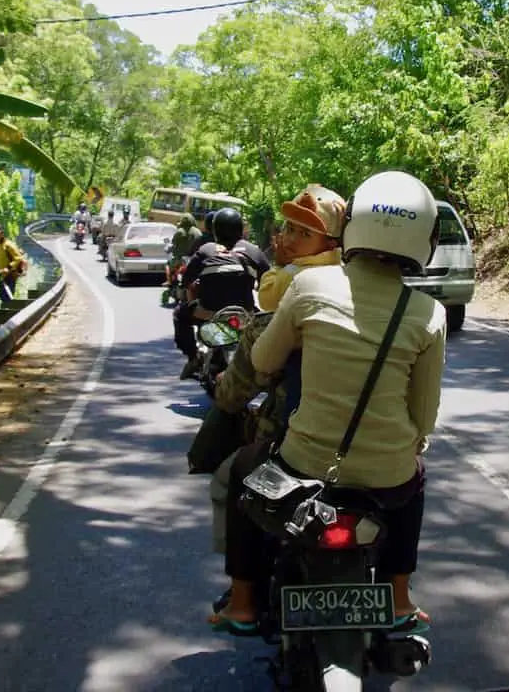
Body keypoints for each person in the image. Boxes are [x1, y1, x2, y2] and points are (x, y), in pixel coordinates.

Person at [209, 171, 446, 636]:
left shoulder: (309, 287)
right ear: (425, 238)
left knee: (241, 472)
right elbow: (423, 417)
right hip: (387, 477)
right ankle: (398, 597)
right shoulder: (429, 314)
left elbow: (262, 358)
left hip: (303, 464)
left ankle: (241, 602)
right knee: (414, 480)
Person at [192, 184, 347, 575]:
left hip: (294, 438)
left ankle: (242, 598)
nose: (291, 238)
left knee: (232, 482)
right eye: (290, 229)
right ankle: (398, 598)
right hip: (363, 442)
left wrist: (227, 394)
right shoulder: (385, 306)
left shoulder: (285, 302)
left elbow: (243, 383)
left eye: (303, 232)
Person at [174, 207, 270, 379]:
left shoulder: (206, 249)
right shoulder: (254, 251)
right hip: (244, 315)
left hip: (208, 314)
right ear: (240, 230)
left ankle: (193, 358)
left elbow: (187, 280)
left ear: (214, 230)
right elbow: (268, 283)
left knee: (179, 315)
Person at [257, 184, 345, 311]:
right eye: (290, 228)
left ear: (330, 244)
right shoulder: (341, 269)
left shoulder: (295, 272)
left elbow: (266, 301)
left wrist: (281, 265)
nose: (292, 239)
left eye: (305, 234)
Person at [0, 222, 26, 302]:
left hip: (11, 273)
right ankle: (5, 309)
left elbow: (18, 258)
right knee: (2, 295)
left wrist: (7, 268)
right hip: (1, 273)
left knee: (8, 294)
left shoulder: (9, 245)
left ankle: (9, 310)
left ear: (2, 234)